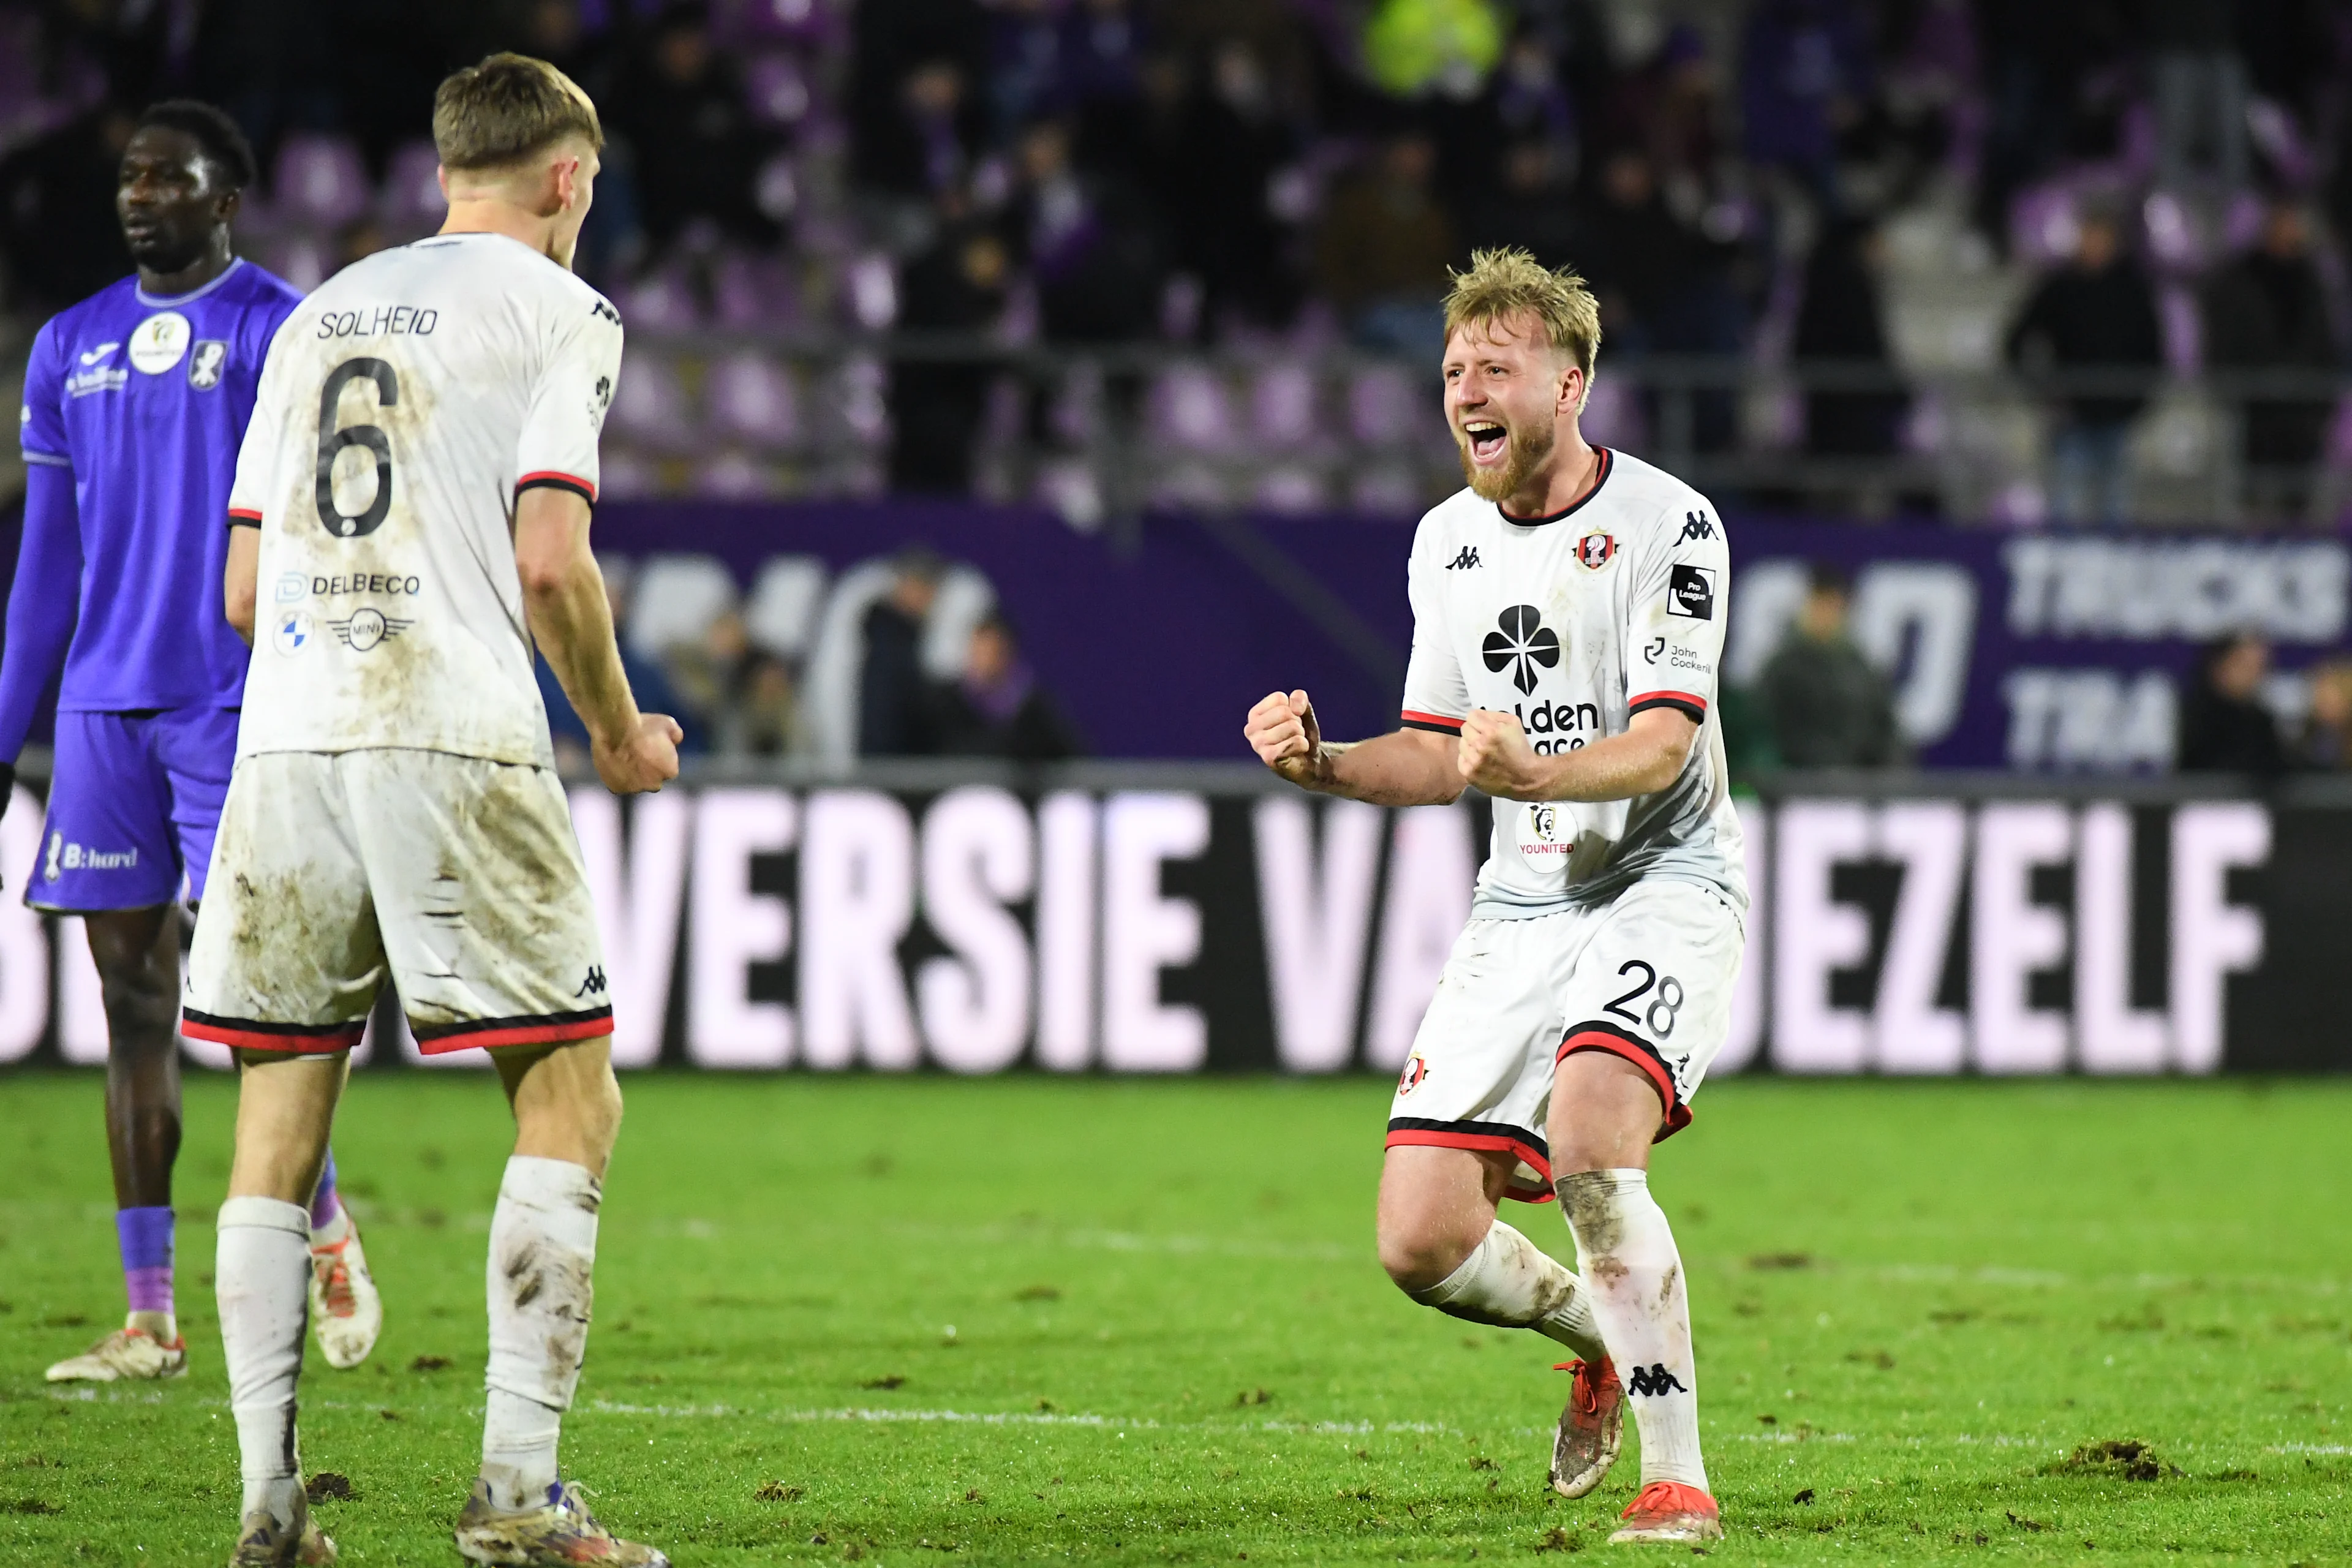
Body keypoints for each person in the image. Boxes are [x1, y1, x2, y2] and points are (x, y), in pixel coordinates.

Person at [188, 55, 679, 1566]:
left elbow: (245, 587)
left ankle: (269, 1510)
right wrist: (615, 725)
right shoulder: (560, 311)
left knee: (277, 1115)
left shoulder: (320, 308)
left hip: (286, 739)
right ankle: (519, 1496)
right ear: (568, 180)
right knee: (567, 1089)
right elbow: (549, 559)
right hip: (451, 729)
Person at [1243, 247, 1740, 1547]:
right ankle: (1598, 1336)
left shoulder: (1670, 524)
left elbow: (1666, 743)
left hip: (1661, 877)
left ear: (1569, 384)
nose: (1467, 386)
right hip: (1523, 902)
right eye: (1454, 367)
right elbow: (1428, 752)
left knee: (1588, 1141)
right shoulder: (1446, 543)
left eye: (1496, 365)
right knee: (1418, 1238)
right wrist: (1326, 763)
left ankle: (1677, 1475)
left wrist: (1536, 767)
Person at [2, 100, 384, 1387]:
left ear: (228, 199)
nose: (140, 193)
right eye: (131, 175)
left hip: (237, 702)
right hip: (107, 711)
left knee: (252, 1001)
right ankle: (150, 1317)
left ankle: (325, 1225)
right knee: (130, 1001)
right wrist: (8, 730)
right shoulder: (68, 346)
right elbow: (44, 568)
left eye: (171, 177)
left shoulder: (280, 330)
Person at [2006, 209, 2162, 524]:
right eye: (2089, 236)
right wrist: (2043, 393)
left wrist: (2136, 400)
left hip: (2118, 416)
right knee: (2066, 506)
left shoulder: (2132, 290)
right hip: (2071, 417)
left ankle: (2114, 572)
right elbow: (2015, 342)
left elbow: (2153, 351)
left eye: (2102, 237)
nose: (2095, 245)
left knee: (2116, 509)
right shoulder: (2059, 288)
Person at [1755, 564, 1904, 767]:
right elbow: (1763, 734)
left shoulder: (1861, 670)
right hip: (1794, 785)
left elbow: (1887, 732)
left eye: (1832, 605)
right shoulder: (1782, 668)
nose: (1825, 615)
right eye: (1819, 603)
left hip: (1854, 785)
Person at [930, 611, 1081, 761]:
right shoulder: (945, 702)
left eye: (993, 651)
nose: (984, 659)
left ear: (1008, 653)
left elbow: (1071, 754)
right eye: (978, 650)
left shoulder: (1034, 706)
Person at [859, 546, 946, 756]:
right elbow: (883, 717)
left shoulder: (907, 638)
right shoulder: (888, 642)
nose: (929, 597)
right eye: (922, 586)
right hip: (889, 767)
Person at [2177, 633, 2286, 777]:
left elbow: (2278, 768)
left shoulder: (2260, 721)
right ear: (2219, 666)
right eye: (2245, 665)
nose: (2253, 675)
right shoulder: (2195, 716)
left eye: (2259, 667)